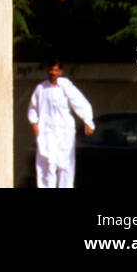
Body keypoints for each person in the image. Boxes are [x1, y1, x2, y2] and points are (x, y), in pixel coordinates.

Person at [28, 57, 95, 188]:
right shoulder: (40, 89)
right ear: (48, 70)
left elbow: (79, 102)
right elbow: (33, 108)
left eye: (56, 70)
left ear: (60, 71)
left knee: (65, 165)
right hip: (46, 131)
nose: (53, 72)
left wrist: (87, 120)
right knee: (47, 163)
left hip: (65, 131)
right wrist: (34, 124)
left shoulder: (65, 86)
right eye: (51, 69)